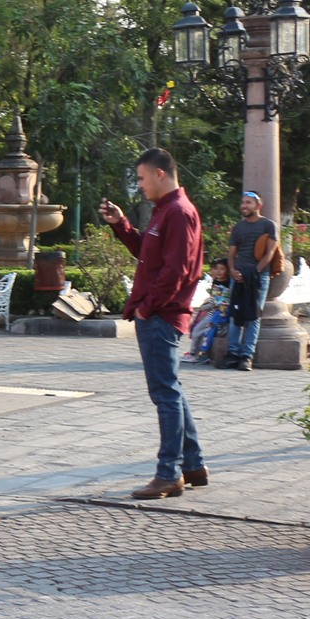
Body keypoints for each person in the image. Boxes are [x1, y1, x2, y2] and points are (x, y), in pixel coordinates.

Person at [100, 148, 207, 499]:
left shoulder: (179, 212)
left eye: (142, 178)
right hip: (158, 313)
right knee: (170, 390)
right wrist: (121, 224)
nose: (140, 185)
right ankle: (193, 465)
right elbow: (148, 254)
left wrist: (148, 307)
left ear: (160, 173)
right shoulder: (166, 211)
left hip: (162, 315)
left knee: (165, 394)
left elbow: (177, 270)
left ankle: (168, 474)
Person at [223, 191, 279, 370]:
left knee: (253, 316)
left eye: (248, 202)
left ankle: (247, 355)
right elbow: (232, 254)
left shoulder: (268, 225)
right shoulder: (238, 227)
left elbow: (270, 253)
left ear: (258, 205)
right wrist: (233, 271)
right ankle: (232, 353)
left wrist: (256, 271)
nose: (244, 206)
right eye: (243, 202)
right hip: (238, 276)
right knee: (235, 314)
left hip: (258, 276)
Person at [186, 258, 234, 362]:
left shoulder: (229, 283)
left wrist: (203, 307)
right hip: (213, 311)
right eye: (216, 268)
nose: (219, 271)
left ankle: (198, 353)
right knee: (197, 329)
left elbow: (218, 301)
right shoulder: (216, 281)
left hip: (219, 313)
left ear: (228, 270)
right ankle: (195, 352)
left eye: (222, 269)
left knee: (200, 330)